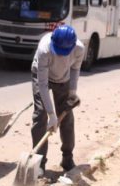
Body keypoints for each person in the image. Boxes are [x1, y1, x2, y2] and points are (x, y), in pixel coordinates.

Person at [30, 25, 85, 174]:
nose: (60, 55)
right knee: (40, 115)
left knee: (66, 117)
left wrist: (73, 91)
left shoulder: (79, 49)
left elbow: (75, 69)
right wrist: (51, 115)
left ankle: (67, 158)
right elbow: (42, 85)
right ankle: (39, 163)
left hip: (63, 79)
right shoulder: (44, 49)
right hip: (42, 76)